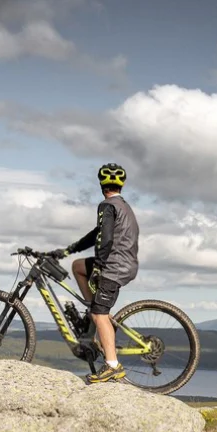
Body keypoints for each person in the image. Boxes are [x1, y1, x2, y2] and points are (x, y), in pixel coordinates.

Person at [50, 163, 139, 383]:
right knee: (78, 266)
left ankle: (112, 365)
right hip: (123, 263)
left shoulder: (107, 205)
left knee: (101, 314)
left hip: (114, 266)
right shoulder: (122, 206)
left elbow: (105, 239)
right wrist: (70, 250)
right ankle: (95, 312)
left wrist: (99, 267)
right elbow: (96, 234)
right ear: (122, 185)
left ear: (101, 184)